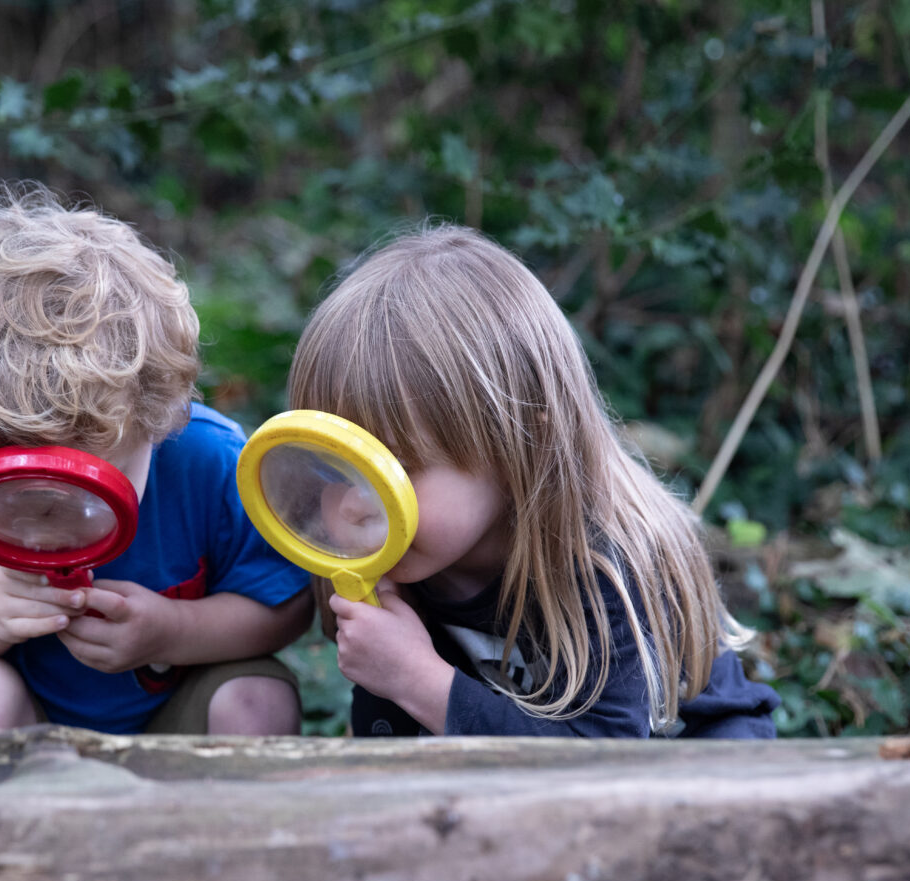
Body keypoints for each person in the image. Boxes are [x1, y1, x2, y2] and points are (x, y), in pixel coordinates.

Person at [0, 181, 312, 737]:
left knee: (255, 699)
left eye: (89, 487)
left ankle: (214, 823)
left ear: (157, 420)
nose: (52, 526)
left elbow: (284, 606)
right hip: (13, 730)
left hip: (172, 723)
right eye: (15, 495)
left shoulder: (211, 462)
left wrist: (173, 630)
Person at [289, 224, 779, 738]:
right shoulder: (395, 559)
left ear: (521, 440)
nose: (355, 504)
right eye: (336, 464)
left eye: (401, 469)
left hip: (699, 765)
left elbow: (599, 765)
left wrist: (417, 679)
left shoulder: (606, 562)